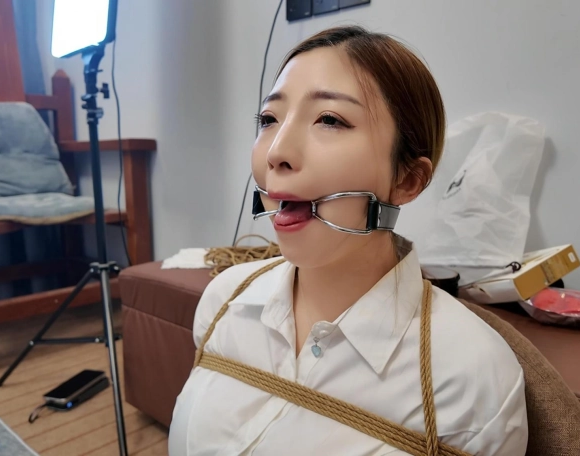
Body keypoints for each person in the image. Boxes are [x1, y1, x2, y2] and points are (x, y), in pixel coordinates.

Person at [169, 26, 528, 455]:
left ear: (407, 180)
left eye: (330, 120)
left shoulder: (472, 379)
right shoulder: (225, 299)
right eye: (268, 119)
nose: (276, 152)